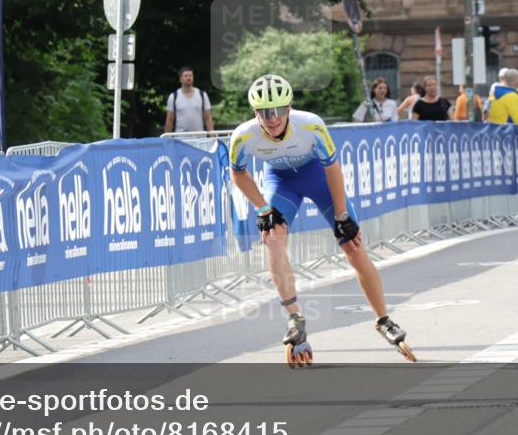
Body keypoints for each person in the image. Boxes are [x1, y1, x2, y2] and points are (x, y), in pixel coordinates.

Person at [229, 74, 416, 367]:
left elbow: (333, 170)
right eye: (265, 113)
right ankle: (294, 320)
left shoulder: (311, 124)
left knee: (352, 246)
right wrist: (263, 208)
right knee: (273, 239)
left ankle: (383, 319)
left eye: (278, 110)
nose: (273, 118)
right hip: (281, 182)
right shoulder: (243, 135)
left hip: (318, 177)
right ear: (255, 113)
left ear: (289, 107)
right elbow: (238, 174)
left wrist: (342, 215)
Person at [163, 67, 214, 134]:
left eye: (190, 76)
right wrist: (166, 139)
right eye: (186, 76)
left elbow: (208, 118)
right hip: (181, 138)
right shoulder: (174, 97)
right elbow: (169, 120)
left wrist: (212, 136)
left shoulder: (202, 95)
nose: (188, 78)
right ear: (180, 79)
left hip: (199, 137)